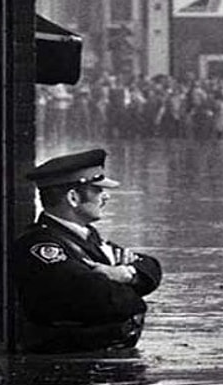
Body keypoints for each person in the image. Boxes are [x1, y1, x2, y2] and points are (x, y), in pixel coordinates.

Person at [13, 148, 162, 353]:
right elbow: (99, 297)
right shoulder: (40, 245)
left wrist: (124, 274)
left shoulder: (88, 238)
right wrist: (130, 289)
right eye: (98, 190)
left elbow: (151, 267)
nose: (106, 197)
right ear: (73, 198)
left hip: (105, 359)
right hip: (69, 369)